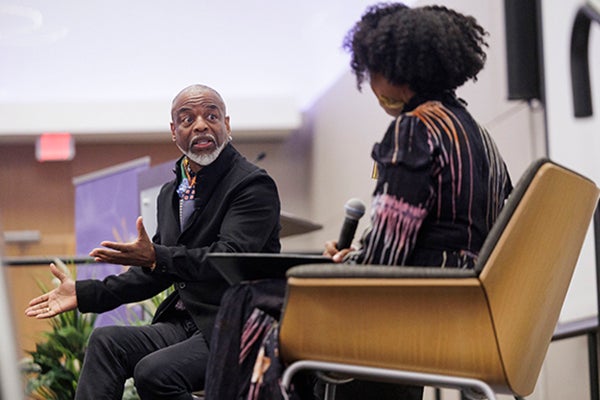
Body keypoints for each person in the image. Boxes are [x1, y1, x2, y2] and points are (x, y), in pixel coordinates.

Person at [204, 3, 513, 400]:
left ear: (392, 68)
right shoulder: (482, 139)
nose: (369, 84)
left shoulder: (413, 130)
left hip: (409, 309)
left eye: (370, 71)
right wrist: (353, 259)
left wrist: (347, 264)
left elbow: (384, 261)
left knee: (247, 295)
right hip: (462, 309)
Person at [25, 84, 282, 400]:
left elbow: (229, 258)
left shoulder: (252, 184)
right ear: (175, 132)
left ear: (226, 125)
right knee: (106, 343)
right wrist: (84, 293)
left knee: (154, 373)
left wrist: (157, 256)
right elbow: (158, 271)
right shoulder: (170, 193)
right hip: (187, 323)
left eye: (211, 115)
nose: (200, 124)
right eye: (187, 119)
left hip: (235, 326)